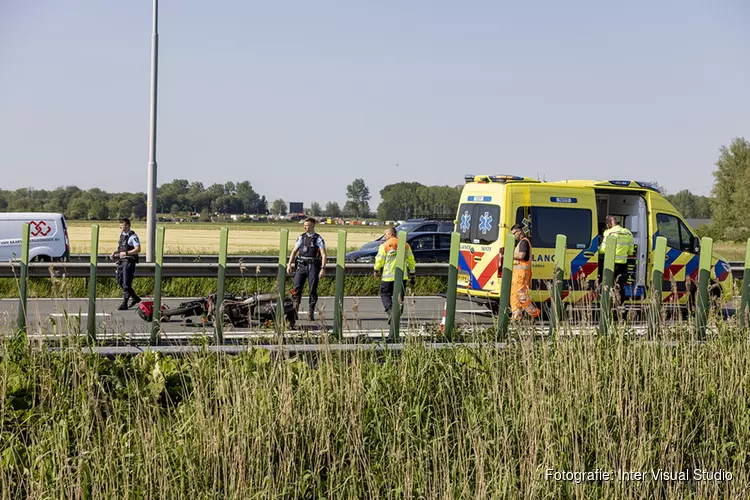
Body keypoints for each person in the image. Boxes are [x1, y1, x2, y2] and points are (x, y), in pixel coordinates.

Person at [287, 217, 327, 321]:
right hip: (300, 266)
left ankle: (311, 313)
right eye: (304, 225)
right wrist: (289, 264)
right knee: (295, 290)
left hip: (313, 266)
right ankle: (294, 312)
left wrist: (323, 268)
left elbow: (323, 254)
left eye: (307, 225)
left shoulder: (318, 239)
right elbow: (294, 251)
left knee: (312, 289)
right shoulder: (301, 237)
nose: (305, 227)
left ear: (313, 226)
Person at [373, 227, 416, 321]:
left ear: (391, 234)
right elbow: (411, 260)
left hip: (387, 278)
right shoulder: (405, 245)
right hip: (401, 277)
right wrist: (412, 274)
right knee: (399, 297)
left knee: (384, 294)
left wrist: (376, 270)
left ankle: (391, 312)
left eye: (385, 234)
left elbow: (379, 260)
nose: (384, 236)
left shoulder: (385, 245)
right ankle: (397, 315)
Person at [598, 215, 635, 306]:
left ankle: (606, 303)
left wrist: (597, 250)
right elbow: (631, 251)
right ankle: (620, 303)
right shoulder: (628, 233)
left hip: (610, 263)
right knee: (619, 285)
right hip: (622, 264)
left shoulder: (609, 233)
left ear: (608, 224)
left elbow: (603, 249)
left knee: (607, 283)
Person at [510, 224, 541, 320]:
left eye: (515, 233)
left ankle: (536, 314)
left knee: (521, 297)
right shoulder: (521, 243)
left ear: (520, 231)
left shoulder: (524, 242)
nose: (514, 236)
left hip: (522, 275)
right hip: (518, 275)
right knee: (515, 297)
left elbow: (522, 255)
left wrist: (509, 255)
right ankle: (516, 317)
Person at [112, 218, 141, 310]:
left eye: (122, 225)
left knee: (126, 282)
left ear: (127, 225)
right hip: (121, 261)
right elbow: (122, 248)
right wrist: (115, 252)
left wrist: (127, 253)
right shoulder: (122, 235)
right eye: (120, 225)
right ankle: (135, 297)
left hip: (129, 261)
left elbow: (138, 249)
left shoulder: (133, 236)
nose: (120, 226)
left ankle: (124, 303)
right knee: (119, 280)